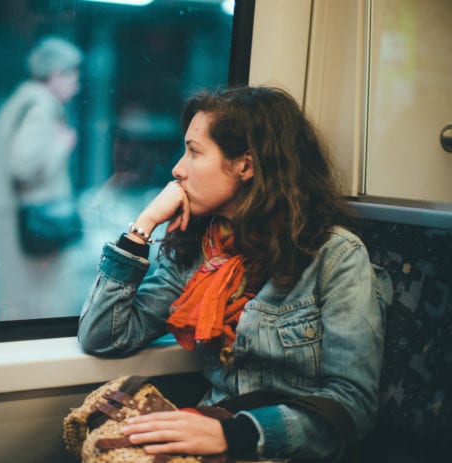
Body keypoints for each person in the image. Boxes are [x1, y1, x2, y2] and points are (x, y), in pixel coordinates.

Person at [77, 86, 393, 461]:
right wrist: (142, 229)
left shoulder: (335, 256)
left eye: (194, 152)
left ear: (246, 164)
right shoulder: (200, 250)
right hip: (215, 430)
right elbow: (102, 336)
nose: (177, 169)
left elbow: (351, 405)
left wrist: (233, 434)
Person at [0, 36, 84, 319]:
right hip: (39, 224)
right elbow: (22, 168)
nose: (76, 85)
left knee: (19, 301)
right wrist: (61, 147)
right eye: (73, 76)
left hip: (19, 221)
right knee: (47, 302)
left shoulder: (19, 103)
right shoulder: (40, 109)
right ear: (56, 74)